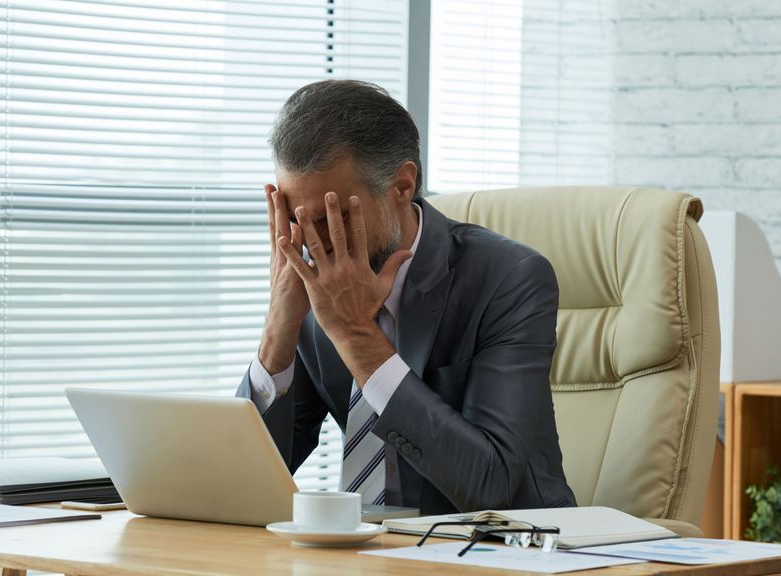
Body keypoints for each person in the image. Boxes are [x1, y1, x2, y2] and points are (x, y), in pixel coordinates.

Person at [237, 79, 576, 514]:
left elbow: (489, 485)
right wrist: (276, 335)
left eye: (333, 218)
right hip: (366, 553)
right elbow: (247, 483)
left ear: (402, 185)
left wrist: (356, 335)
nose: (312, 245)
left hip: (503, 546)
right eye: (296, 219)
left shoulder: (510, 278)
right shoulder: (310, 282)